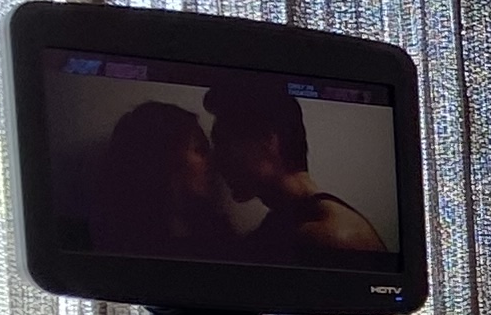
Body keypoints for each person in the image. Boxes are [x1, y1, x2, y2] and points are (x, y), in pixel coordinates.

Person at [200, 77, 392, 264]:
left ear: (267, 140)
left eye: (224, 144)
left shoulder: (330, 236)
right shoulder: (286, 222)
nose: (216, 161)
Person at [85, 100, 233, 261]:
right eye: (200, 150)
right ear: (162, 157)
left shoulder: (215, 233)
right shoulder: (114, 242)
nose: (212, 162)